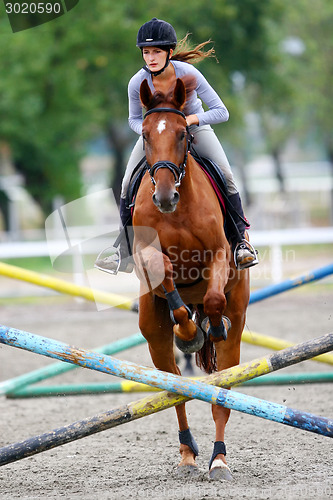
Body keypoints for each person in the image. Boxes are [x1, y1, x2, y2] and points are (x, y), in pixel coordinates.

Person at [95, 17, 258, 274]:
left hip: (195, 128)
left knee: (227, 176)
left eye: (156, 51)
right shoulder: (137, 82)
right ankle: (122, 250)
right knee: (127, 182)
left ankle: (240, 244)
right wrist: (151, 133)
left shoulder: (189, 73)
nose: (150, 58)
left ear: (169, 52)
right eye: (146, 52)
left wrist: (189, 120)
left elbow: (221, 111)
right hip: (157, 135)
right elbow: (133, 119)